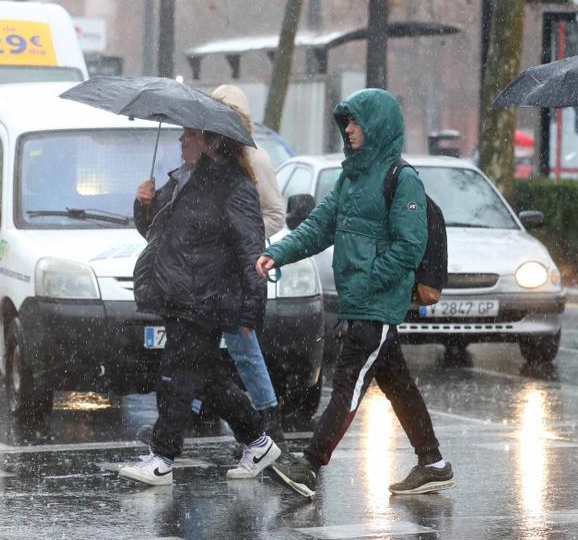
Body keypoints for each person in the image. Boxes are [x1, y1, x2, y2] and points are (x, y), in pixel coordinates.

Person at [257, 89, 454, 499]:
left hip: (376, 305)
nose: (348, 129)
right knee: (398, 383)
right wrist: (277, 253)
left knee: (347, 382)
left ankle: (310, 465)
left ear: (377, 126)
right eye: (345, 122)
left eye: (355, 122)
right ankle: (433, 462)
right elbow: (317, 227)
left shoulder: (403, 180)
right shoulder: (351, 177)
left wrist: (368, 283)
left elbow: (409, 247)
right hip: (360, 302)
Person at [118, 123, 282, 486]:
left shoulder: (235, 187)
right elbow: (155, 232)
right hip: (179, 293)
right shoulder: (183, 180)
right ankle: (258, 440)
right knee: (204, 377)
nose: (181, 141)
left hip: (208, 296)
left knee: (176, 374)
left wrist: (252, 310)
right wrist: (143, 204)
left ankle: (162, 457)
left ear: (211, 141)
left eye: (189, 135)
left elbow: (251, 250)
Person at [209, 85, 287, 444]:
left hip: (239, 269)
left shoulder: (256, 160)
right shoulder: (210, 160)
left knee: (243, 345)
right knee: (201, 344)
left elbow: (274, 214)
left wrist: (245, 238)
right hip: (212, 268)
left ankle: (268, 416)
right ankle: (191, 412)